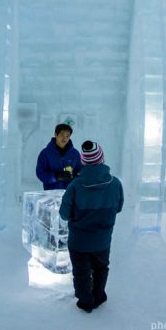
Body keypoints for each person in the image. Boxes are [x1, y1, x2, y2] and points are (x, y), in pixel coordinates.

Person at [59, 141, 124, 313]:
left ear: (83, 162)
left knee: (81, 271)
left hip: (78, 241)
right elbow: (118, 207)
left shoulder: (75, 186)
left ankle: (85, 301)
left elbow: (64, 213)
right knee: (101, 267)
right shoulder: (116, 183)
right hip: (102, 240)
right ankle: (99, 296)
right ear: (102, 159)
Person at [36, 123, 82, 190]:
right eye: (62, 135)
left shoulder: (75, 154)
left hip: (70, 193)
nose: (64, 138)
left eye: (67, 136)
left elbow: (81, 171)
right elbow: (40, 173)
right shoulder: (45, 153)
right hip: (52, 194)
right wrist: (56, 177)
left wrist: (74, 177)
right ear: (56, 135)